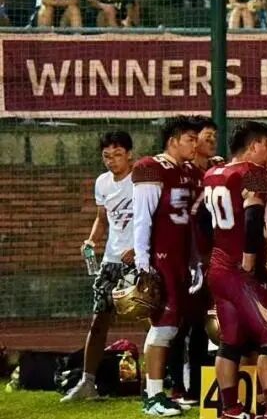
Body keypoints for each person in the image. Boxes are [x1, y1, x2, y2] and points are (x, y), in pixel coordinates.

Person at [199, 122, 267, 419]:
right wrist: (251, 260)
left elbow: (201, 218)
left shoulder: (213, 173)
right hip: (240, 268)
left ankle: (231, 409)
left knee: (230, 341)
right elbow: (253, 219)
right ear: (253, 146)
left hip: (219, 264)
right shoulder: (254, 174)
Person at [131, 116, 200, 417]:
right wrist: (143, 262)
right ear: (173, 141)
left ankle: (163, 392)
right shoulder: (151, 167)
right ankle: (153, 396)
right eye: (189, 139)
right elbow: (142, 219)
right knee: (163, 327)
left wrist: (195, 261)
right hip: (161, 259)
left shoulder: (188, 171)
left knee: (175, 327)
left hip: (181, 258)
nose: (195, 145)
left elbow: (191, 223)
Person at [61, 132, 136, 403]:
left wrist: (140, 249)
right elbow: (102, 219)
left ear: (129, 154)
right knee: (98, 320)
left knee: (152, 319)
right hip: (111, 261)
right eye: (107, 156)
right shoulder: (102, 182)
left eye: (117, 155)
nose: (112, 161)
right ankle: (87, 382)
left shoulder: (141, 180)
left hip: (139, 261)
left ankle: (161, 381)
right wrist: (92, 240)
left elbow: (154, 218)